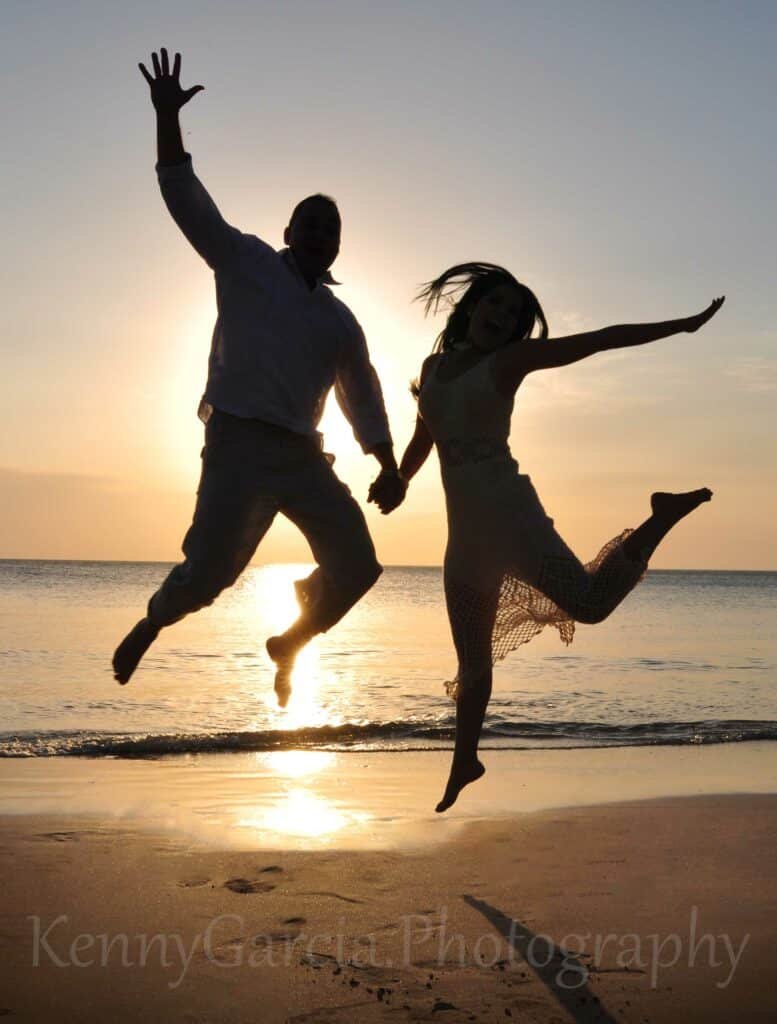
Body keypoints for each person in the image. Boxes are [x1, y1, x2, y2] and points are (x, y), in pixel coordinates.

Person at [113, 49, 406, 704]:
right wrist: (166, 117)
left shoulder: (339, 320)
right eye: (310, 222)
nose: (320, 233)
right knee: (210, 574)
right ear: (287, 231)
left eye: (331, 228)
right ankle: (153, 620)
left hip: (303, 457)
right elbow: (187, 201)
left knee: (359, 568)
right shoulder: (246, 262)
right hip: (239, 447)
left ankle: (291, 641)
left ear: (337, 245)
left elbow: (363, 397)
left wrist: (386, 465)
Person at [380, 262, 723, 812]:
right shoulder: (433, 367)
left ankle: (660, 518)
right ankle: (464, 759)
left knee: (588, 606)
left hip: (512, 518)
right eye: (495, 304)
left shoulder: (509, 361)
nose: (502, 316)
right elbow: (425, 432)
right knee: (471, 662)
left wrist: (681, 326)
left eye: (513, 313)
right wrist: (399, 477)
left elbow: (599, 341)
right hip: (464, 535)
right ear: (471, 307)